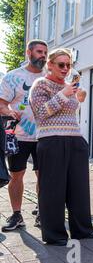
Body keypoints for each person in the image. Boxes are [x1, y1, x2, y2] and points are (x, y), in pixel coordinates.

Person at [29, 48, 93, 245]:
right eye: (61, 64)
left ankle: (82, 230)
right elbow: (41, 113)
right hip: (51, 140)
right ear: (50, 65)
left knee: (79, 189)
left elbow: (72, 110)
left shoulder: (70, 85)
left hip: (75, 139)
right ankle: (54, 234)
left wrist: (73, 94)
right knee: (53, 190)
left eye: (68, 65)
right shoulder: (40, 84)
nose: (66, 68)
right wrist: (65, 94)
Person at [0, 40, 47, 232]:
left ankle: (42, 211)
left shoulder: (49, 76)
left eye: (45, 52)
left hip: (45, 135)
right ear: (29, 52)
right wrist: (9, 112)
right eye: (39, 52)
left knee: (43, 176)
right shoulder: (13, 77)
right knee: (16, 175)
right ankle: (17, 214)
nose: (43, 55)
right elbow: (1, 103)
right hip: (18, 136)